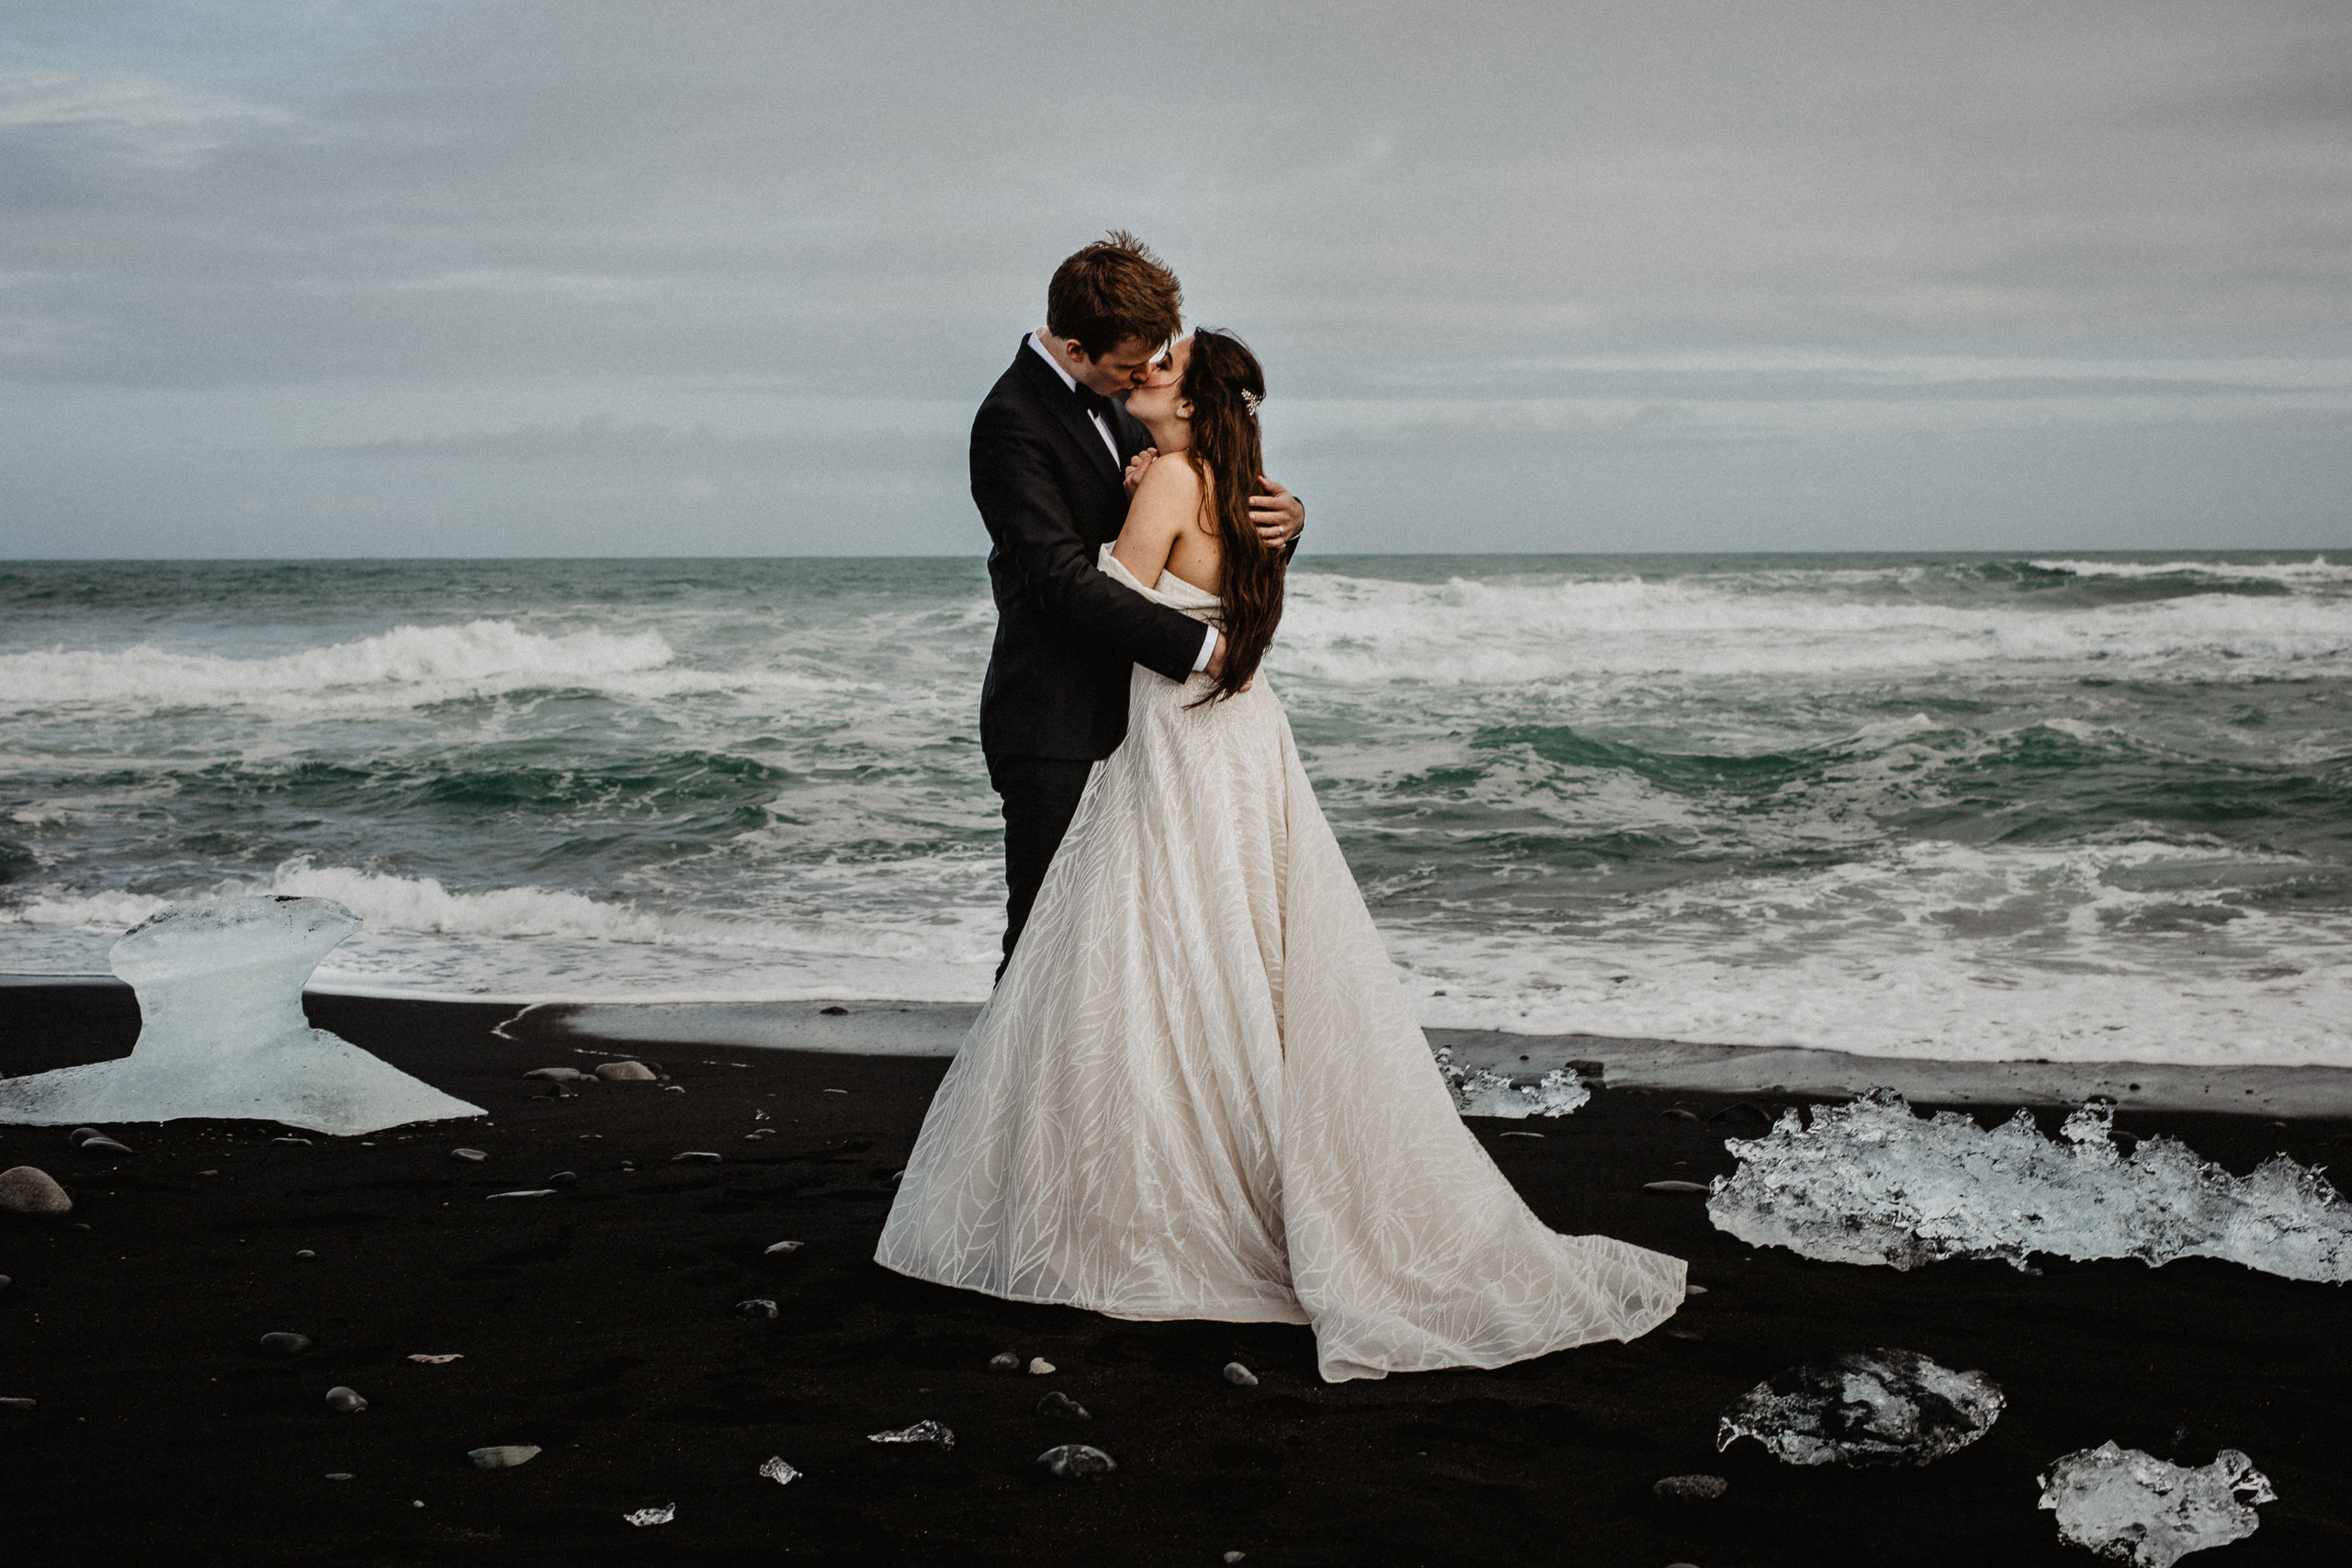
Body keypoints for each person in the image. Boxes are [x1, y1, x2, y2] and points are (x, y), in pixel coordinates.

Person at [878, 330, 1687, 1382]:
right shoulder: (1233, 482)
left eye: (1159, 371)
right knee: (1234, 948)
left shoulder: (1168, 476)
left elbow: (1105, 601)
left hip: (1175, 733)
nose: (1139, 379)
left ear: (1192, 399)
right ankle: (1213, 1157)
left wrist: (1136, 510)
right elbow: (1223, 575)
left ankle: (1133, 1192)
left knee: (1149, 953)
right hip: (1243, 735)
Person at [967, 232, 1304, 980]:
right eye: (1130, 364)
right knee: (1043, 947)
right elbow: (1061, 581)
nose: (1145, 373)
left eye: (1157, 357)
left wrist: (1288, 520)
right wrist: (1204, 650)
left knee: (1134, 946)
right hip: (1054, 719)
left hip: (1145, 726)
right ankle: (1019, 1098)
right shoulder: (1010, 421)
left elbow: (1196, 526)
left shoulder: (1131, 406)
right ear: (1078, 346)